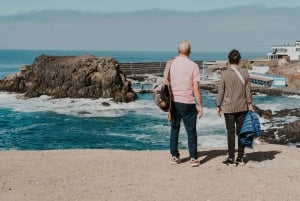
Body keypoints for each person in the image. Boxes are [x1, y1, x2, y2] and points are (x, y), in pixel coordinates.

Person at [165, 40, 203, 167]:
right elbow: (196, 88)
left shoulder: (171, 64)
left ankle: (174, 156)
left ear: (178, 50)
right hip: (188, 102)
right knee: (191, 131)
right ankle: (193, 158)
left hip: (174, 102)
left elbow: (167, 85)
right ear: (190, 51)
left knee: (174, 129)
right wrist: (200, 106)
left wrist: (168, 107)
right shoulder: (193, 66)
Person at [216, 49, 253, 166]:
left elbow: (221, 91)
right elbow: (248, 91)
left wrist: (218, 105)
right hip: (242, 107)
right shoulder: (245, 72)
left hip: (229, 108)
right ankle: (240, 158)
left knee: (230, 133)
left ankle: (231, 158)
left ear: (228, 60)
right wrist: (250, 104)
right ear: (239, 60)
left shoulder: (225, 74)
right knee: (241, 132)